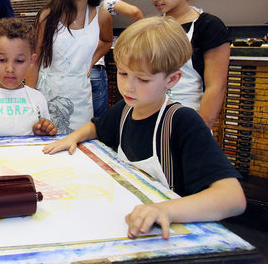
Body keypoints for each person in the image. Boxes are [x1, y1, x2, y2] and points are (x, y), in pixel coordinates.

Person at [43, 17, 245, 240]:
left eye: (143, 80)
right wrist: (73, 137)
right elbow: (96, 127)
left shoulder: (183, 122)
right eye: (123, 74)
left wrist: (166, 210)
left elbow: (233, 198)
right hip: (129, 226)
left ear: (172, 79)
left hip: (170, 236)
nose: (129, 86)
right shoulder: (125, 109)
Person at [26, 0, 113, 133]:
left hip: (80, 95)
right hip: (48, 93)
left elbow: (106, 41)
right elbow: (34, 60)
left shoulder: (101, 15)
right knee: (47, 145)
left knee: (80, 147)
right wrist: (29, 97)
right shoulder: (48, 16)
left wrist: (91, 61)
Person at [145, 0, 229, 129]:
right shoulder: (153, 26)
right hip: (152, 114)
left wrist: (200, 130)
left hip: (189, 118)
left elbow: (216, 86)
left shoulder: (208, 26)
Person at [91, 0, 145, 117]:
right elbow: (134, 12)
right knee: (99, 121)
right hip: (94, 68)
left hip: (71, 70)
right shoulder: (101, 1)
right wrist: (144, 38)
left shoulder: (69, 6)